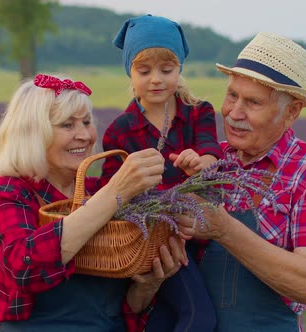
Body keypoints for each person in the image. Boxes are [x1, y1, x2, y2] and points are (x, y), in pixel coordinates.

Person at [0, 73, 187, 332]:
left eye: (87, 122)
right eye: (67, 125)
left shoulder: (94, 190)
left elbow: (117, 312)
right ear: (34, 134)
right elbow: (24, 267)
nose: (84, 135)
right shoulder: (11, 192)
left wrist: (146, 286)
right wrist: (113, 194)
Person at [176, 32, 306, 331]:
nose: (233, 113)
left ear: (291, 111)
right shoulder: (211, 161)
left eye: (253, 102)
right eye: (232, 95)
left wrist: (224, 229)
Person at [99, 14, 222, 332]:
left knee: (164, 320)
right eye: (144, 70)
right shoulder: (120, 131)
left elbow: (212, 155)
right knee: (199, 318)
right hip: (155, 243)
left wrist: (199, 161)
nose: (156, 79)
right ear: (130, 72)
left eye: (167, 70)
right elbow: (112, 195)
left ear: (179, 69)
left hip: (200, 236)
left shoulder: (198, 112)